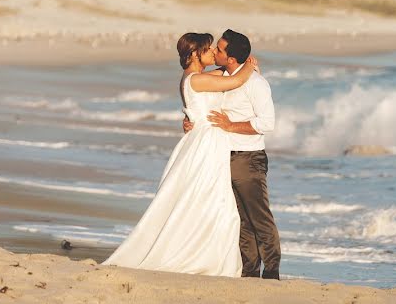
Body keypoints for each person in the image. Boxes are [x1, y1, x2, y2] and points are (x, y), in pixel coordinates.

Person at [102, 32, 256, 276]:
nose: (213, 53)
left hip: (205, 141)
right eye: (208, 50)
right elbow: (234, 82)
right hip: (206, 143)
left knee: (207, 199)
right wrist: (250, 67)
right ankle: (204, 256)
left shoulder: (194, 77)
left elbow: (223, 75)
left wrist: (232, 67)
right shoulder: (196, 80)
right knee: (212, 200)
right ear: (195, 54)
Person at [192, 29, 280, 280]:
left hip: (248, 158)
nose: (215, 52)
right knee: (240, 219)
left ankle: (272, 271)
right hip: (221, 156)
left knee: (259, 218)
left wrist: (232, 126)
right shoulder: (224, 77)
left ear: (231, 58)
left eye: (219, 49)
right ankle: (249, 271)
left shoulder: (256, 83)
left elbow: (267, 122)